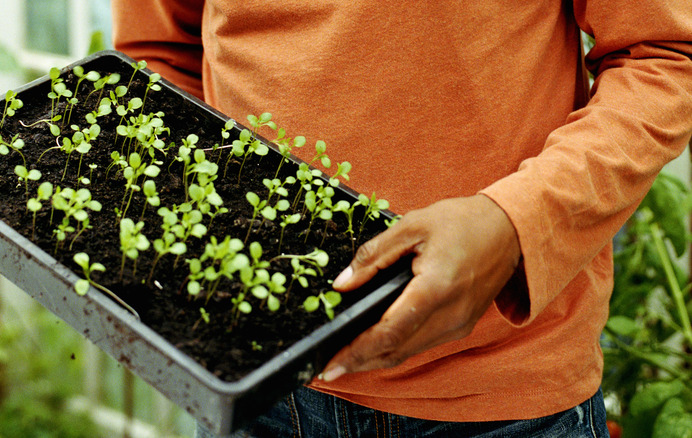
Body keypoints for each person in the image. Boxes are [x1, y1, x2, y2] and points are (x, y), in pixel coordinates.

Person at [112, 1, 692, 436]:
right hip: (256, 378)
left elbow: (665, 55)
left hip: (499, 399)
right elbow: (162, 52)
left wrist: (513, 224)